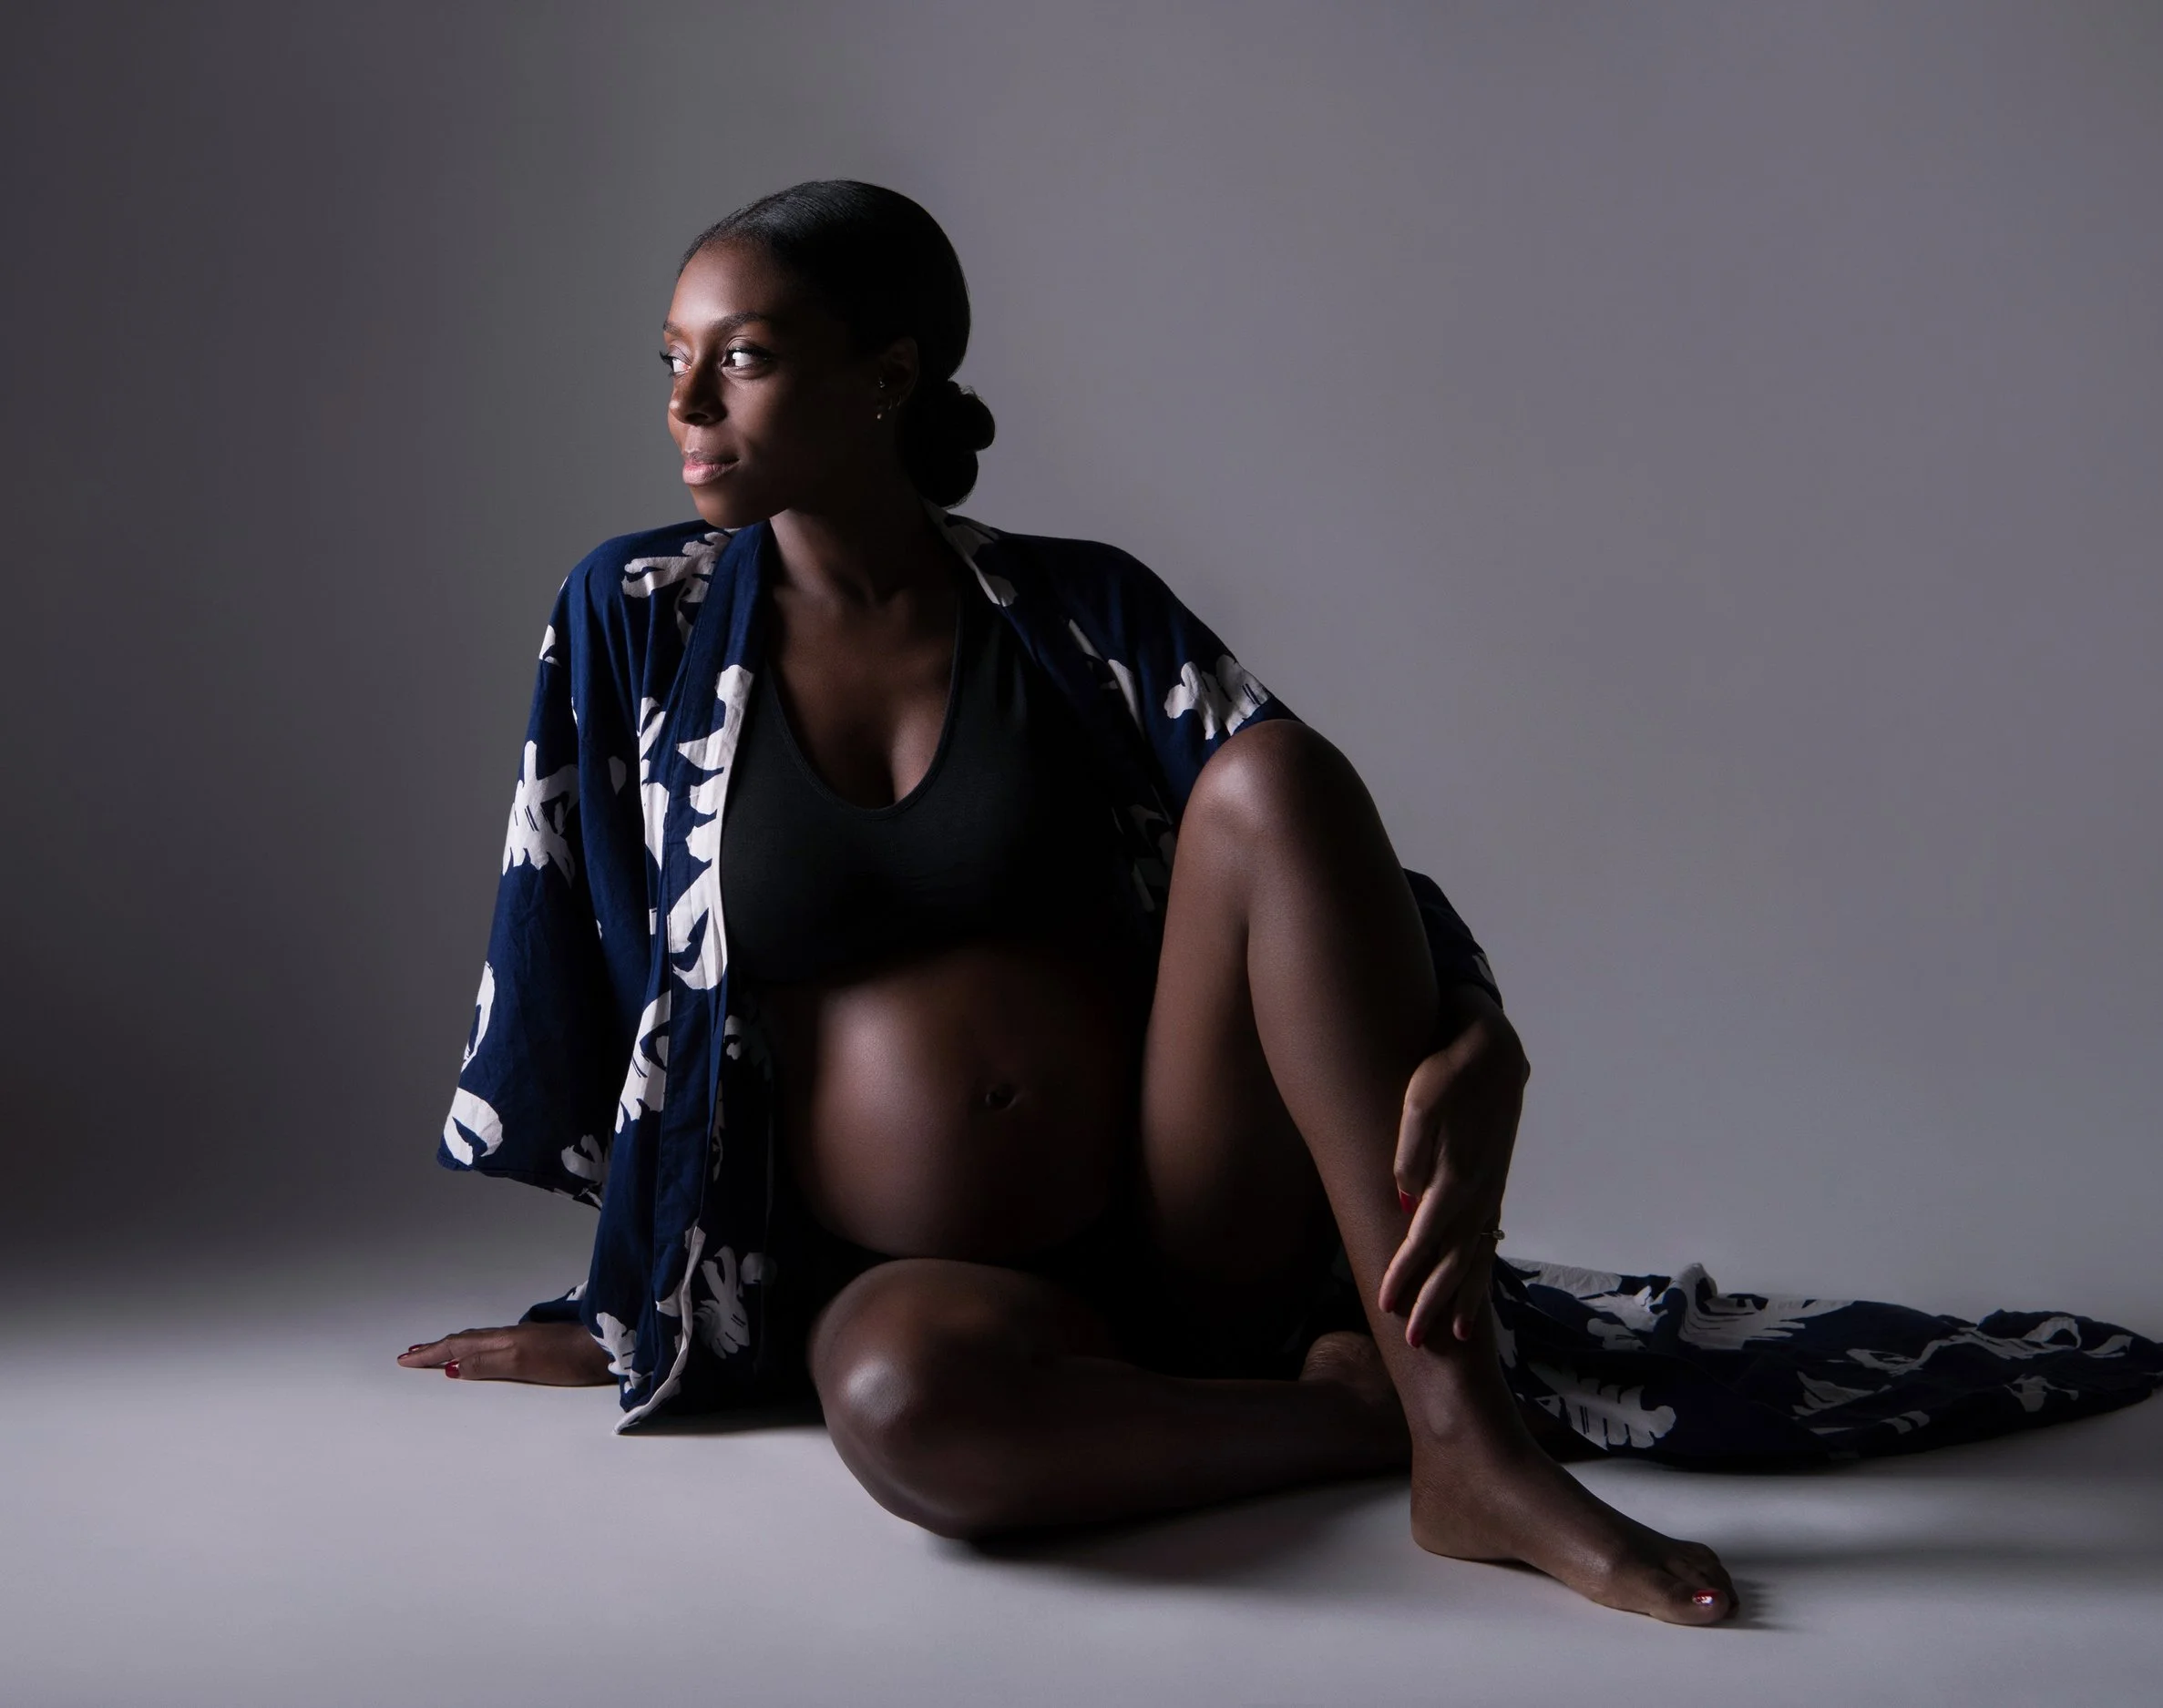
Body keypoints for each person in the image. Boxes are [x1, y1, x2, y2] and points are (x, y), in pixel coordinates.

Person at [397, 179, 1737, 1624]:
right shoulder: (638, 617)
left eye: (746, 356)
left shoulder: (1078, 611)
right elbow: (586, 931)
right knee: (904, 1409)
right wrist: (631, 1300)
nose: (688, 401)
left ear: (886, 378)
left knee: (1268, 775)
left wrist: (1476, 1019)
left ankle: (1469, 1436)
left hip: (1196, 1218)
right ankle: (1361, 1418)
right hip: (931, 1280)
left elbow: (1319, 858)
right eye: (674, 358)